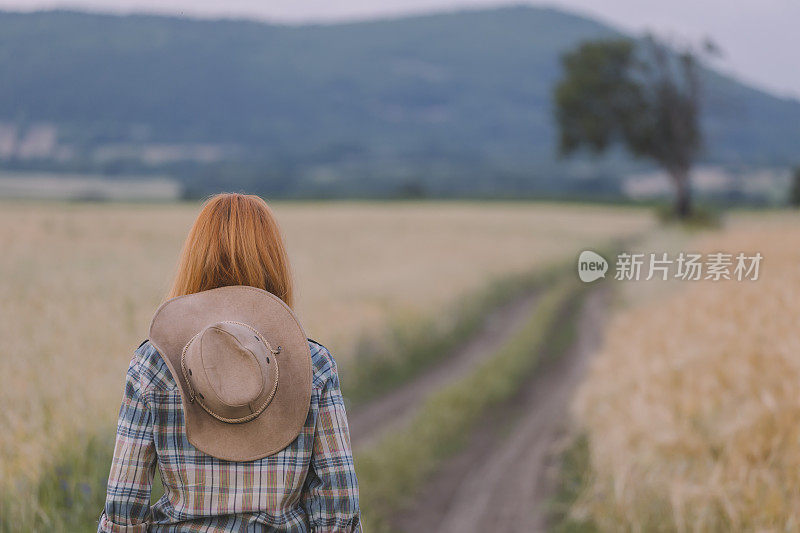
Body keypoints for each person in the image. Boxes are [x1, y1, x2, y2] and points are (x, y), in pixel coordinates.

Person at [98, 193, 361, 532]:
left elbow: (124, 507)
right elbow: (338, 506)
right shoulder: (313, 364)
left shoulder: (154, 363)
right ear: (274, 262)